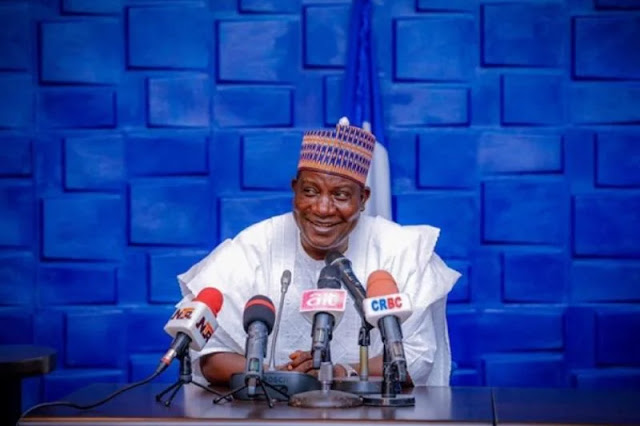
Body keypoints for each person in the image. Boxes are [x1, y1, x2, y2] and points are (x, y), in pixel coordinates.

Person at [176, 119, 460, 387]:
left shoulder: (399, 250)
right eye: (310, 191)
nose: (323, 209)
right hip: (266, 410)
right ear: (294, 190)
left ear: (363, 199)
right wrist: (282, 378)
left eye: (340, 195)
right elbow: (209, 356)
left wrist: (339, 372)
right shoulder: (252, 248)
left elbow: (416, 359)